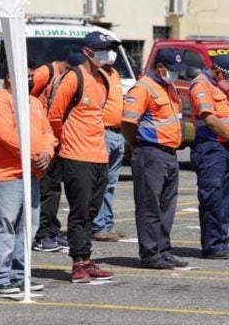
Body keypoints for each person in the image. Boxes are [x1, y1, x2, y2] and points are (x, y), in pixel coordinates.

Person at [48, 32, 114, 283]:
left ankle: (87, 258)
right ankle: (78, 263)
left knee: (92, 212)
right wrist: (59, 145)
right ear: (87, 52)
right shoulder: (73, 78)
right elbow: (55, 115)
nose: (107, 54)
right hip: (76, 155)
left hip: (99, 155)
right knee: (80, 210)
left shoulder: (103, 80)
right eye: (103, 49)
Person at [0, 71, 55, 294]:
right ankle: (0, 278)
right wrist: (36, 155)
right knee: (4, 226)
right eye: (24, 74)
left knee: (28, 227)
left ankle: (20, 275)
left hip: (31, 174)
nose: (29, 79)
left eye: (31, 75)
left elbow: (48, 132)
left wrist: (48, 152)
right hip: (6, 174)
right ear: (9, 76)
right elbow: (6, 136)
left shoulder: (34, 102)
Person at [122, 50, 188, 269]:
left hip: (169, 153)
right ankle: (150, 253)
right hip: (150, 152)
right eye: (171, 69)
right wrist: (135, 144)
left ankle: (163, 249)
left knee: (167, 205)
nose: (175, 75)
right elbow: (128, 122)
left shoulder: (168, 88)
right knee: (149, 204)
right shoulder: (143, 88)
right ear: (160, 67)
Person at [189, 55, 229, 260]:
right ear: (218, 72)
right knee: (212, 197)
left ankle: (221, 242)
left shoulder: (221, 86)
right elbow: (210, 118)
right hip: (210, 148)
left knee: (225, 198)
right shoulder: (201, 86)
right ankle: (212, 246)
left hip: (226, 147)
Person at [33, 53, 81, 252]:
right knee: (45, 189)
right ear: (68, 66)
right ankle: (41, 234)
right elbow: (26, 97)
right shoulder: (47, 72)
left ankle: (51, 230)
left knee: (53, 188)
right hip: (44, 138)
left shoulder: (63, 77)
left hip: (56, 139)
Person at [92, 47, 126, 242]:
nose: (112, 54)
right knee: (100, 182)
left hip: (117, 133)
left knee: (111, 183)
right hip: (103, 132)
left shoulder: (115, 74)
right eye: (108, 50)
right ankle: (98, 225)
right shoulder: (98, 74)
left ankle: (107, 224)